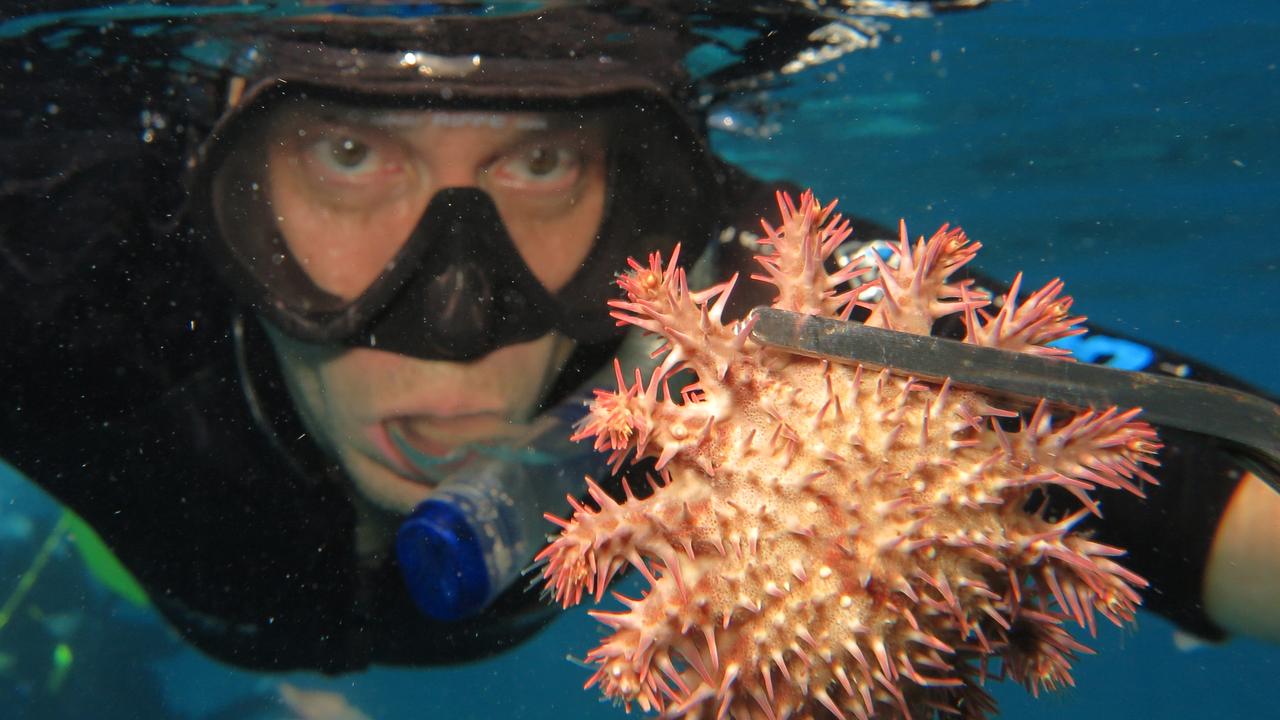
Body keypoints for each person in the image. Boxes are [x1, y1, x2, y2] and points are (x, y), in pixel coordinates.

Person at [0, 1, 1276, 680]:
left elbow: (1142, 453)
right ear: (221, 179)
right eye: (348, 151)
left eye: (543, 161)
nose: (452, 314)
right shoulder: (60, 264)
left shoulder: (728, 311)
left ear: (639, 193)